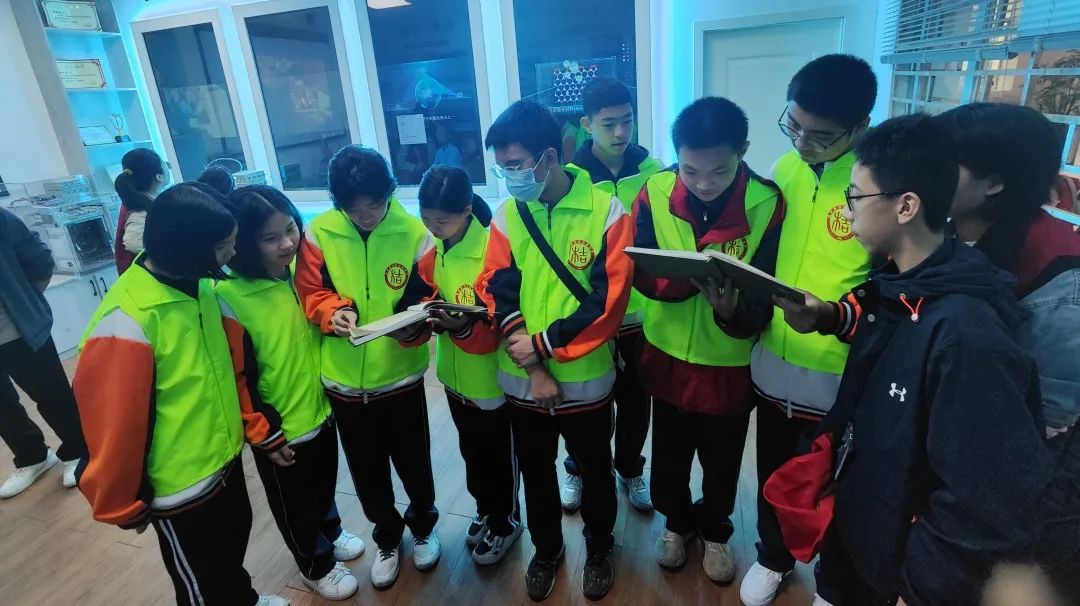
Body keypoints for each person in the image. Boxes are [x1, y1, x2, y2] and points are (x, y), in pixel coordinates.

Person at [773, 114, 1053, 606]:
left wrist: (921, 591)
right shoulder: (899, 285)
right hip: (858, 532)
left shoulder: (967, 336)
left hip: (900, 576)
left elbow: (985, 504)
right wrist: (829, 317)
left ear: (905, 206)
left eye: (855, 197)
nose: (848, 213)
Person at [73, 182, 290, 606]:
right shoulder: (128, 320)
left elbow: (233, 369)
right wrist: (122, 501)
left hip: (223, 457)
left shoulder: (200, 284)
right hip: (178, 485)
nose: (233, 252)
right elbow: (112, 428)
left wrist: (254, 429)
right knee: (201, 582)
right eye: (224, 246)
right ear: (188, 248)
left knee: (230, 550)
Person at [477, 99, 632, 602]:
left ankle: (600, 547)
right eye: (502, 167)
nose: (509, 177)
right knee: (536, 473)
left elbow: (607, 302)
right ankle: (546, 550)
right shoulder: (507, 216)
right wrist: (531, 361)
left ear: (548, 157)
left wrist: (541, 348)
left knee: (595, 470)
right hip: (523, 381)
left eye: (516, 165)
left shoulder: (606, 212)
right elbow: (495, 287)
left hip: (585, 379)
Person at [741, 54, 878, 606]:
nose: (802, 143)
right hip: (774, 360)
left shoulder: (878, 186)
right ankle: (773, 557)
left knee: (832, 480)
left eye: (819, 136)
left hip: (839, 373)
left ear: (859, 127)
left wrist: (835, 316)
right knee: (774, 471)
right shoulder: (785, 170)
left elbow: (888, 283)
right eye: (793, 126)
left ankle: (831, 579)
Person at [631, 97, 783, 583]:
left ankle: (716, 529)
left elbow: (768, 291)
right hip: (668, 351)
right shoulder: (655, 190)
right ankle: (676, 523)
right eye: (690, 170)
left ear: (743, 151)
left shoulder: (766, 202)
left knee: (722, 459)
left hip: (728, 360)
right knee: (669, 457)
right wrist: (685, 282)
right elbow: (638, 264)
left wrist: (731, 310)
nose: (702, 184)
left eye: (719, 171)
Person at [935, 102, 1080, 600]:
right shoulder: (950, 233)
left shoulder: (1062, 279)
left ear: (994, 183)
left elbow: (1045, 431)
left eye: (943, 163)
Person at [295, 145, 439, 589]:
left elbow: (427, 295)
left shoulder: (415, 233)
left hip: (400, 376)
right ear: (338, 203)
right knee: (366, 470)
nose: (366, 217)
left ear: (389, 193)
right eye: (354, 209)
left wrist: (412, 326)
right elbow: (310, 291)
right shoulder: (319, 233)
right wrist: (332, 312)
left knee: (414, 462)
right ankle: (387, 537)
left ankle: (424, 528)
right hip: (343, 380)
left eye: (374, 205)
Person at [216, 185, 366, 601]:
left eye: (290, 229)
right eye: (270, 238)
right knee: (293, 503)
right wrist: (263, 432)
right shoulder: (228, 295)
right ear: (245, 243)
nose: (287, 243)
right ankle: (314, 564)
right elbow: (237, 376)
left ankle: (330, 530)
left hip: (320, 407)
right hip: (279, 425)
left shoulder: (298, 273)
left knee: (323, 484)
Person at [561, 76, 664, 513]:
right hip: (588, 313)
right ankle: (578, 467)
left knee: (637, 401)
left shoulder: (655, 172)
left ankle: (630, 467)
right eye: (608, 124)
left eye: (627, 121)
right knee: (583, 403)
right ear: (587, 124)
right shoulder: (571, 178)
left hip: (641, 315)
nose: (621, 132)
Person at [414, 164, 523, 565]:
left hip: (490, 379)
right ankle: (485, 508)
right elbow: (427, 292)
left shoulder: (492, 249)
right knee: (471, 451)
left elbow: (499, 317)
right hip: (453, 374)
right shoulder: (434, 249)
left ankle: (506, 521)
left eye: (441, 220)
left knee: (498, 456)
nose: (433, 227)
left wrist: (461, 324)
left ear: (466, 210)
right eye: (426, 218)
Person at [0, 207, 84, 498]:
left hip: (19, 329)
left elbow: (39, 261)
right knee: (3, 407)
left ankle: (79, 449)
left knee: (52, 395)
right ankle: (32, 456)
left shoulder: (2, 220)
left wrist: (26, 301)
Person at [113, 148, 167, 274]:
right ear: (159, 176)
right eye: (167, 165)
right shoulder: (139, 209)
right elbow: (133, 243)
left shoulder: (141, 201)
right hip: (150, 278)